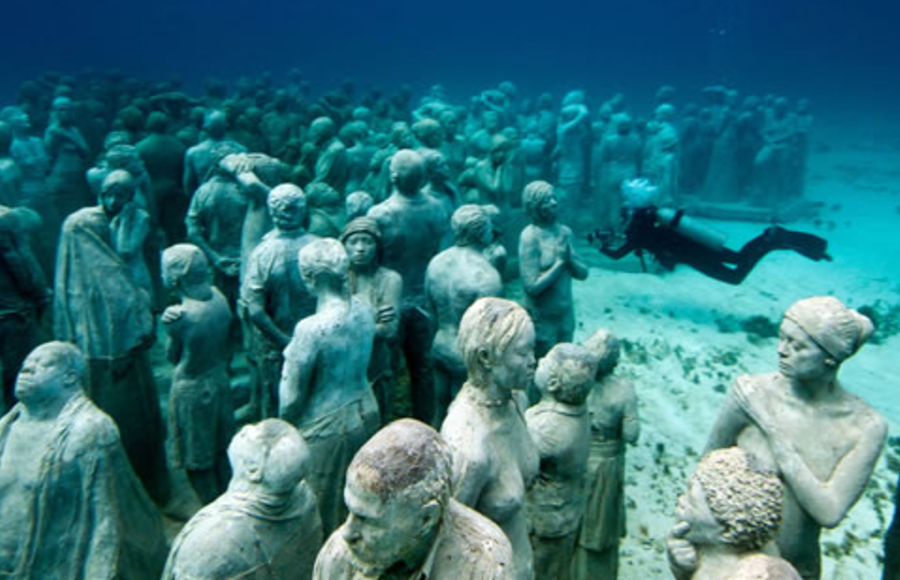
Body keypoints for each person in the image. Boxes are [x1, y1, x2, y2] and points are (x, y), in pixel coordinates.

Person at [705, 296, 887, 579]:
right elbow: (706, 471)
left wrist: (773, 432)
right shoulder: (750, 393)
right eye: (782, 338)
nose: (781, 350)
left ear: (830, 357)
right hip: (727, 562)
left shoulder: (864, 426)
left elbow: (829, 511)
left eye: (797, 346)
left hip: (794, 569)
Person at [0, 342, 168, 580]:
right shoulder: (8, 425)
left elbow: (104, 519)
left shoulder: (91, 431)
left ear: (69, 378)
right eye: (26, 365)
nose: (26, 371)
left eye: (43, 364)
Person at [54, 169, 170, 505]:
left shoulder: (115, 243)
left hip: (122, 363)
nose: (114, 204)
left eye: (123, 194)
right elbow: (130, 305)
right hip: (111, 364)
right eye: (109, 193)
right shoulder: (87, 236)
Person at [314, 419, 514, 580]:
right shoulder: (337, 558)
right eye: (350, 510)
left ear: (427, 518)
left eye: (368, 520)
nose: (348, 533)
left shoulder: (483, 564)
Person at [279, 238, 379, 535]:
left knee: (325, 513)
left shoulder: (310, 329)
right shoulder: (364, 309)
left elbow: (290, 401)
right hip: (367, 411)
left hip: (326, 429)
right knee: (364, 500)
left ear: (309, 278)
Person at [441, 297, 540, 580]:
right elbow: (448, 540)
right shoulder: (468, 445)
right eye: (523, 353)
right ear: (486, 357)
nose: (534, 360)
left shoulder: (517, 402)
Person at [162, 419, 323, 580]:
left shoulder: (207, 546)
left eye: (251, 433)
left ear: (253, 470)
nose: (245, 428)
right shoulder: (305, 498)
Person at [592, 178, 831, 285]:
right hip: (696, 245)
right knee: (737, 257)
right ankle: (773, 239)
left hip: (693, 255)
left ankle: (771, 240)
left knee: (735, 277)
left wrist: (599, 245)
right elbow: (643, 239)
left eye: (624, 214)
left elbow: (618, 254)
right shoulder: (652, 215)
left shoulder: (638, 231)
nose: (623, 218)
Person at [368, 149, 450, 422]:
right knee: (424, 370)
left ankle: (385, 427)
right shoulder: (439, 207)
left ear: (393, 176)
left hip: (391, 302)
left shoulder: (381, 214)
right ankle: (426, 424)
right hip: (427, 300)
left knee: (385, 370)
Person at [161, 244, 235, 504]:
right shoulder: (219, 297)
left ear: (175, 277)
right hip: (218, 378)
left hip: (191, 387)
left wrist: (170, 329)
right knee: (221, 449)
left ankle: (211, 508)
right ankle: (229, 499)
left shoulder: (182, 318)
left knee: (197, 458)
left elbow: (172, 356)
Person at [241, 184, 318, 419]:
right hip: (307, 342)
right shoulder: (319, 245)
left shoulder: (262, 253)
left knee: (278, 407)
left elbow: (254, 310)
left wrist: (285, 342)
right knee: (310, 401)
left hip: (280, 345)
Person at [666, 447, 802, 580]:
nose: (680, 501)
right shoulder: (707, 550)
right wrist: (683, 569)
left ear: (726, 530)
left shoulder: (760, 573)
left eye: (691, 502)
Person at [425, 204, 503, 426]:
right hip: (466, 357)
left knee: (439, 411)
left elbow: (430, 310)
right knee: (466, 420)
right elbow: (488, 333)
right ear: (481, 231)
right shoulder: (487, 276)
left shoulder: (436, 263)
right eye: (488, 227)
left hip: (439, 344)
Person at [573, 329, 640, 580]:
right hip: (607, 468)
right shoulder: (625, 389)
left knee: (576, 525)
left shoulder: (577, 382)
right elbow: (632, 434)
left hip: (577, 459)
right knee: (600, 531)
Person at [525, 343, 596, 580]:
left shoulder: (546, 427)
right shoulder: (580, 411)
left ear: (553, 383)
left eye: (545, 361)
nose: (538, 360)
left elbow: (520, 462)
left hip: (542, 522)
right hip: (568, 513)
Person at [341, 217, 402, 423]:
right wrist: (371, 319)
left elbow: (389, 330)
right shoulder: (338, 279)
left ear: (377, 246)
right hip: (343, 368)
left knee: (379, 420)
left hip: (377, 366)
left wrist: (348, 324)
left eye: (367, 241)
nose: (360, 248)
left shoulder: (390, 279)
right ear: (344, 245)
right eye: (353, 241)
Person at [519, 180, 588, 360]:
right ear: (535, 207)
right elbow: (532, 287)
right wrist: (559, 263)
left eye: (553, 198)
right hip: (542, 320)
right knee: (542, 369)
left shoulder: (565, 232)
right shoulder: (530, 236)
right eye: (546, 200)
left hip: (566, 316)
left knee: (565, 367)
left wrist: (570, 260)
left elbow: (583, 274)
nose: (554, 203)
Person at [0, 204, 50, 410]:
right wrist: (40, 295)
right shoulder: (6, 218)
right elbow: (23, 266)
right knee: (20, 378)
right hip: (13, 317)